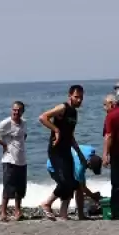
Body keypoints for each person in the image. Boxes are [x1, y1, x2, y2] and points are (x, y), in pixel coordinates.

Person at [38, 85, 88, 220]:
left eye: (81, 97)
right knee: (65, 182)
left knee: (71, 182)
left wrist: (80, 154)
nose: (79, 100)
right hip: (56, 151)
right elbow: (43, 117)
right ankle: (47, 203)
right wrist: (56, 130)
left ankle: (64, 214)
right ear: (70, 96)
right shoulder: (63, 108)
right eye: (76, 97)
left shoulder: (74, 113)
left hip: (66, 150)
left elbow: (71, 136)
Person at [0, 101, 28, 222]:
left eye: (19, 110)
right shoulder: (6, 123)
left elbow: (24, 136)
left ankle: (17, 211)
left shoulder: (24, 123)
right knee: (8, 186)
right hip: (9, 159)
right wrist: (4, 145)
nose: (16, 112)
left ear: (22, 112)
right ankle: (3, 213)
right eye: (14, 110)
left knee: (20, 187)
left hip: (21, 159)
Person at [47, 144, 104, 220]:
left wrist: (91, 195)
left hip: (62, 160)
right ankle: (53, 207)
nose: (89, 170)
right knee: (69, 187)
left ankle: (79, 215)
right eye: (91, 168)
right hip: (54, 166)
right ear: (89, 164)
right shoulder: (80, 167)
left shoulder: (90, 150)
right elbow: (82, 187)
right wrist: (93, 196)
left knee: (76, 187)